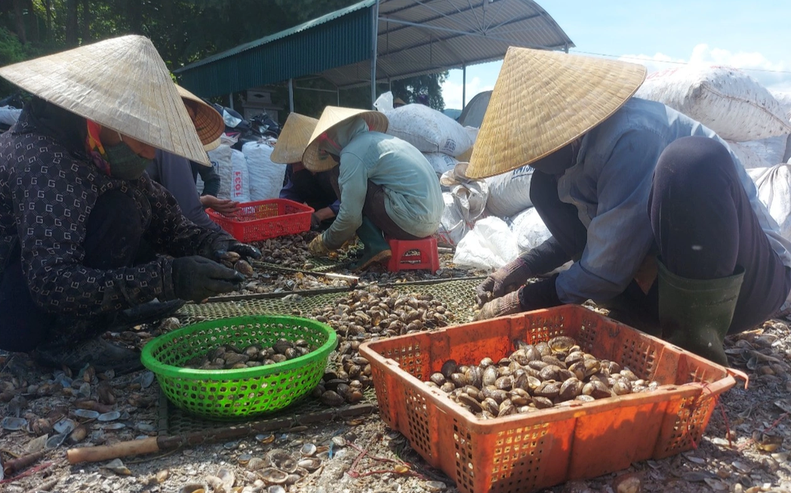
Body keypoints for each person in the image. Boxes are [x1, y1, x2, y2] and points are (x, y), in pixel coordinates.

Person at [469, 47, 791, 366]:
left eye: (535, 150)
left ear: (565, 131)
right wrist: (521, 268)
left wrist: (525, 299)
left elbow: (606, 267)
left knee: (690, 163)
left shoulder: (633, 135)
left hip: (749, 285)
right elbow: (605, 233)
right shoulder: (578, 158)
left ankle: (693, 355)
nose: (532, 160)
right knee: (543, 188)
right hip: (666, 286)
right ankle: (642, 317)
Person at [0, 35, 259, 373]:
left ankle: (106, 314)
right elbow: (51, 283)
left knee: (136, 204)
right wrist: (168, 278)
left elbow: (167, 218)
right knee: (120, 211)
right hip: (11, 308)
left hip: (33, 290)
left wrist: (217, 245)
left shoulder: (95, 153)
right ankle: (65, 343)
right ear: (104, 119)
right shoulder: (45, 160)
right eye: (145, 138)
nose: (151, 153)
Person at [302, 106, 445, 270]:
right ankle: (374, 243)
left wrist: (326, 241)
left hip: (411, 221)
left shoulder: (353, 152)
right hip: (432, 223)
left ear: (333, 140)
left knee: (337, 176)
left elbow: (350, 217)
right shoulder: (382, 140)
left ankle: (375, 245)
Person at [147, 86, 238, 232]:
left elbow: (212, 179)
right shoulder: (166, 147)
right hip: (159, 222)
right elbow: (184, 207)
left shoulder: (194, 149)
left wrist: (205, 200)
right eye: (181, 117)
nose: (186, 125)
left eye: (190, 120)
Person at [270, 112, 340, 230]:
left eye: (299, 162)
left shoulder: (335, 161)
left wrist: (320, 215)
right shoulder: (294, 170)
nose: (295, 167)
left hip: (349, 219)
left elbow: (352, 199)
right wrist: (287, 212)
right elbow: (289, 194)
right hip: (320, 223)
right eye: (294, 163)